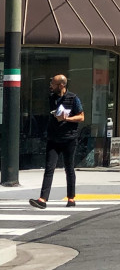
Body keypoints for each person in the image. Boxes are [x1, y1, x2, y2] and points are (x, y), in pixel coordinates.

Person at [30, 74, 84, 209]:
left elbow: (81, 117)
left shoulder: (73, 98)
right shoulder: (52, 98)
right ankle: (42, 199)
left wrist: (66, 119)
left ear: (61, 85)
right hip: (53, 138)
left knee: (69, 168)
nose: (50, 86)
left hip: (69, 139)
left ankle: (71, 198)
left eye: (53, 84)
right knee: (49, 168)